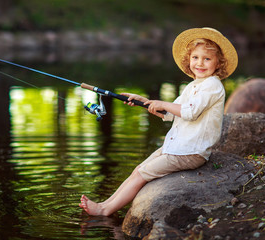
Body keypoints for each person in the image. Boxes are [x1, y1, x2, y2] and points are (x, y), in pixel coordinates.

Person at [79, 27, 238, 216]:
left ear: (218, 63)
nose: (200, 63)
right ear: (189, 59)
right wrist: (144, 102)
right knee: (138, 170)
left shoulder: (212, 85)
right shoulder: (193, 85)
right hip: (179, 147)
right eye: (195, 57)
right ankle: (105, 204)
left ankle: (104, 211)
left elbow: (190, 113)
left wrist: (162, 102)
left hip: (191, 151)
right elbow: (170, 113)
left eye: (207, 59)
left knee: (141, 174)